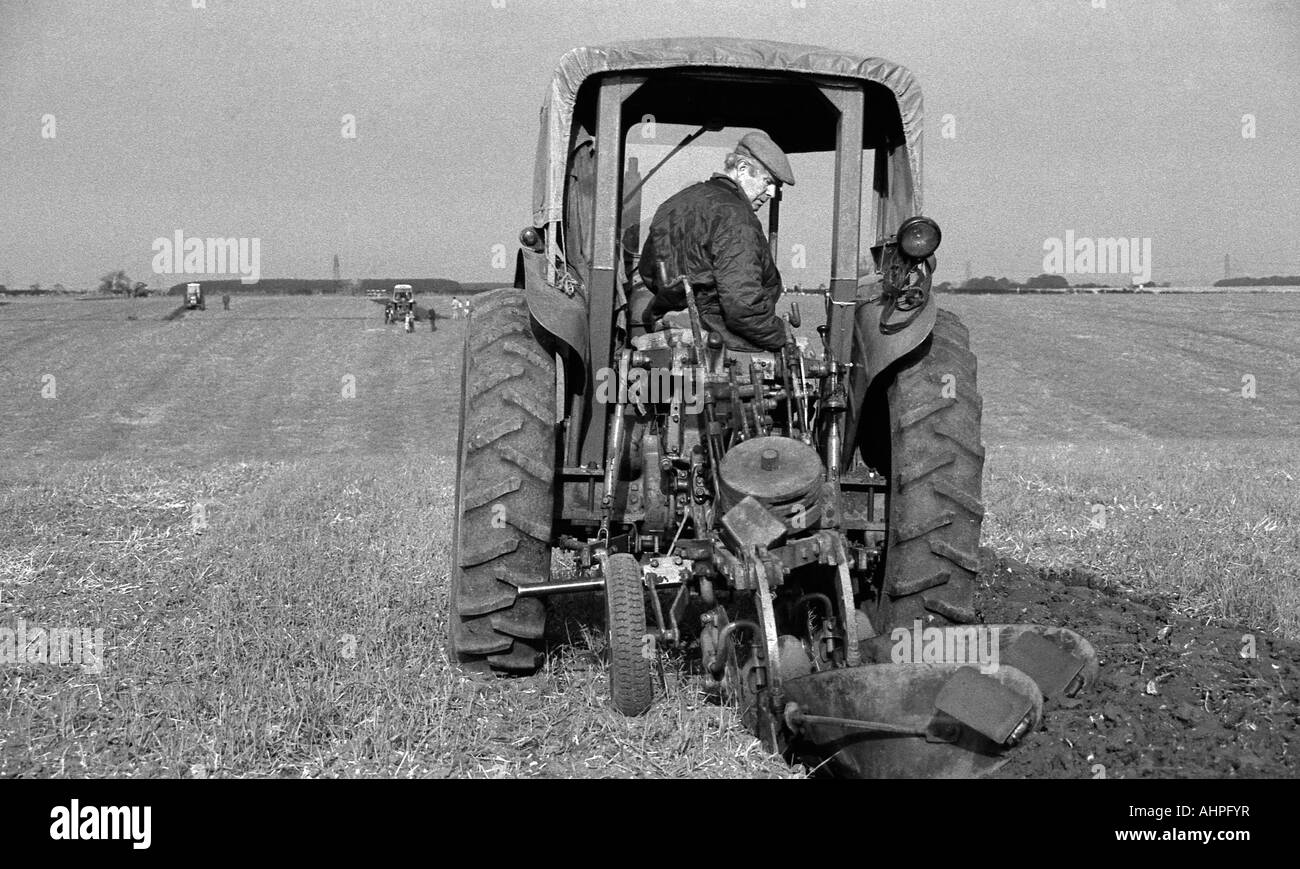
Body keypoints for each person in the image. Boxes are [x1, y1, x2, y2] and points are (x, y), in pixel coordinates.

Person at [637, 130, 795, 352]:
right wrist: (780, 336)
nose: (770, 193)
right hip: (718, 333)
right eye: (767, 181)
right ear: (742, 169)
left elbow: (648, 272)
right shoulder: (736, 217)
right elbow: (742, 303)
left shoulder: (673, 204)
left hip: (667, 325)